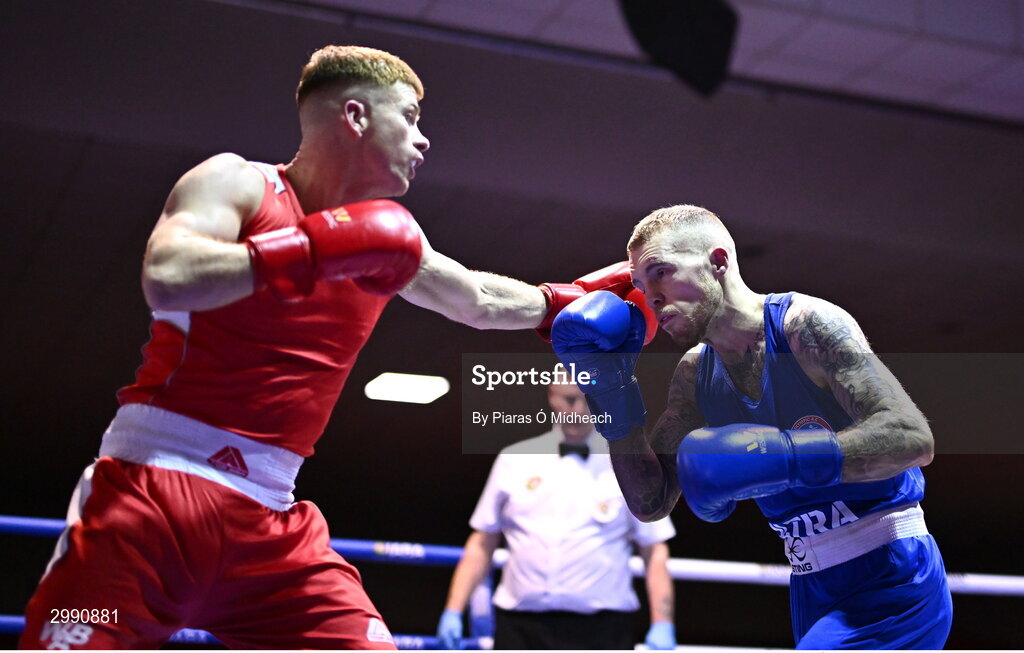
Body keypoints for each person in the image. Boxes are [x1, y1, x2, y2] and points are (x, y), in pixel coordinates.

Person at [18, 45, 656, 650]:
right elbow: (168, 273)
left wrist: (563, 301)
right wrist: (313, 249)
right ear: (355, 114)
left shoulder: (390, 241)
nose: (424, 138)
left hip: (269, 532)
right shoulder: (236, 183)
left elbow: (478, 300)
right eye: (409, 117)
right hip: (147, 504)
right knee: (72, 628)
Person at [551, 205, 953, 650]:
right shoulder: (695, 374)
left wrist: (785, 456)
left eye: (661, 272)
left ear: (718, 262)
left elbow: (912, 438)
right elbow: (650, 501)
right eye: (643, 287)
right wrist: (612, 395)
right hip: (810, 585)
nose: (652, 297)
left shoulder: (804, 327)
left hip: (893, 578)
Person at [436, 376, 676, 650]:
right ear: (552, 396)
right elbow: (482, 542)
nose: (579, 411)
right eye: (570, 399)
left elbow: (654, 551)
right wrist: (453, 610)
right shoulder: (514, 459)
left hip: (602, 631)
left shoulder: (631, 465)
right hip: (519, 629)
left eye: (589, 402)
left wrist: (663, 623)